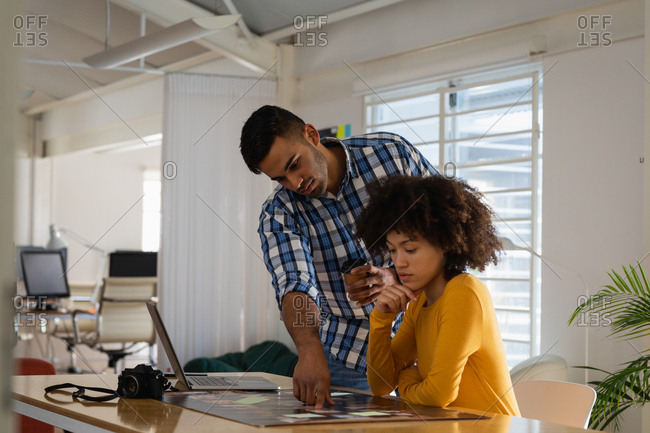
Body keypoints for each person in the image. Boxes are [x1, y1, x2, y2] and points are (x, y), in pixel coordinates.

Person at [239, 105, 438, 408]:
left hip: (429, 343)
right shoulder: (279, 213)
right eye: (280, 178)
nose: (294, 184)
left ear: (311, 134)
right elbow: (295, 284)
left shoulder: (391, 156)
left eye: (295, 165)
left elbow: (448, 229)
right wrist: (307, 350)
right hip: (353, 357)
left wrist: (396, 277)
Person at [355, 175, 520, 416]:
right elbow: (380, 386)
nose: (399, 262)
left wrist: (406, 384)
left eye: (410, 249)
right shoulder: (420, 301)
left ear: (444, 243)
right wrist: (380, 319)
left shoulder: (464, 292)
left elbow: (438, 395)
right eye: (392, 250)